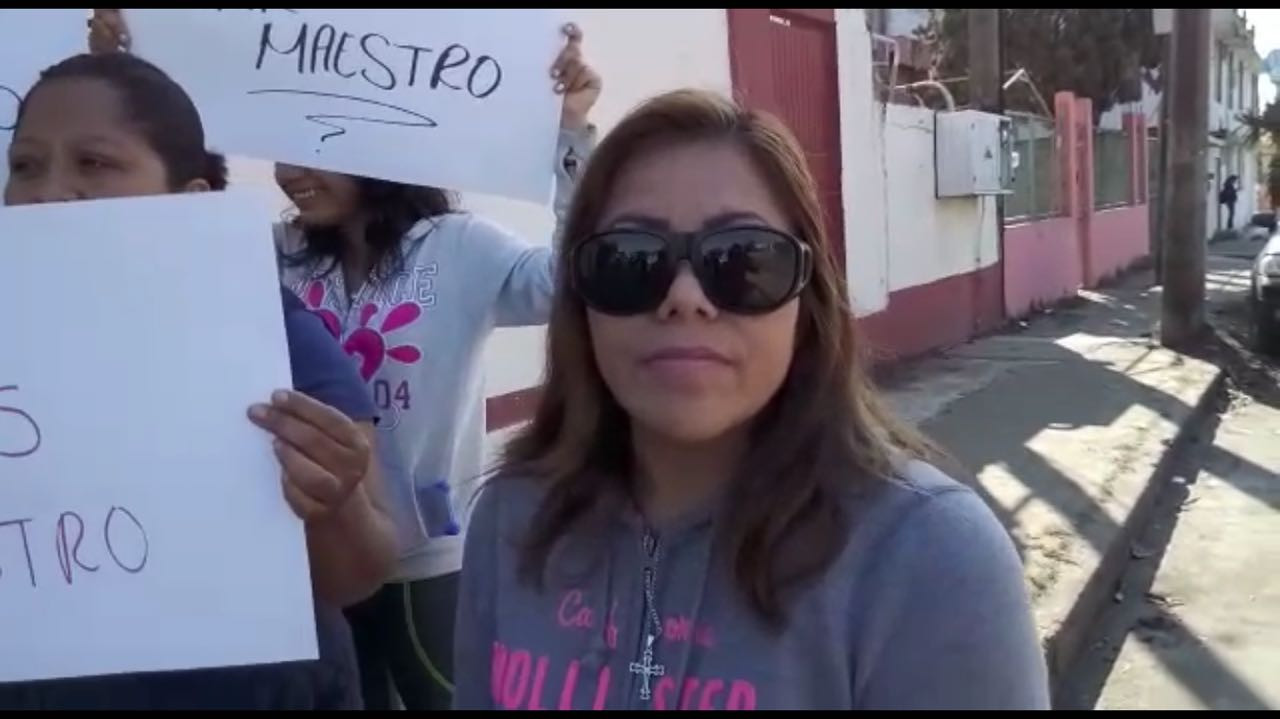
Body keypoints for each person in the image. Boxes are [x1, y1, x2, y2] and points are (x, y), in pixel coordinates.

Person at [454, 89, 1050, 710]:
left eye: (742, 259)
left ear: (807, 299)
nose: (685, 296)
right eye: (631, 259)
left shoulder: (928, 560)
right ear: (581, 302)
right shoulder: (512, 519)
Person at [88, 10, 601, 709]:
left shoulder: (459, 247)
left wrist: (569, 133)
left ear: (376, 143)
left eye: (313, 150)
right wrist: (126, 70)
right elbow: (160, 230)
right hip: (311, 553)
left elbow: (573, 283)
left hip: (427, 565)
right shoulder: (271, 253)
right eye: (281, 152)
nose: (291, 172)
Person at [1, 51, 397, 709]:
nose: (47, 192)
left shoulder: (271, 336)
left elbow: (358, 574)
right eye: (24, 165)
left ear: (189, 201)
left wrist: (335, 500)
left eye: (94, 162)